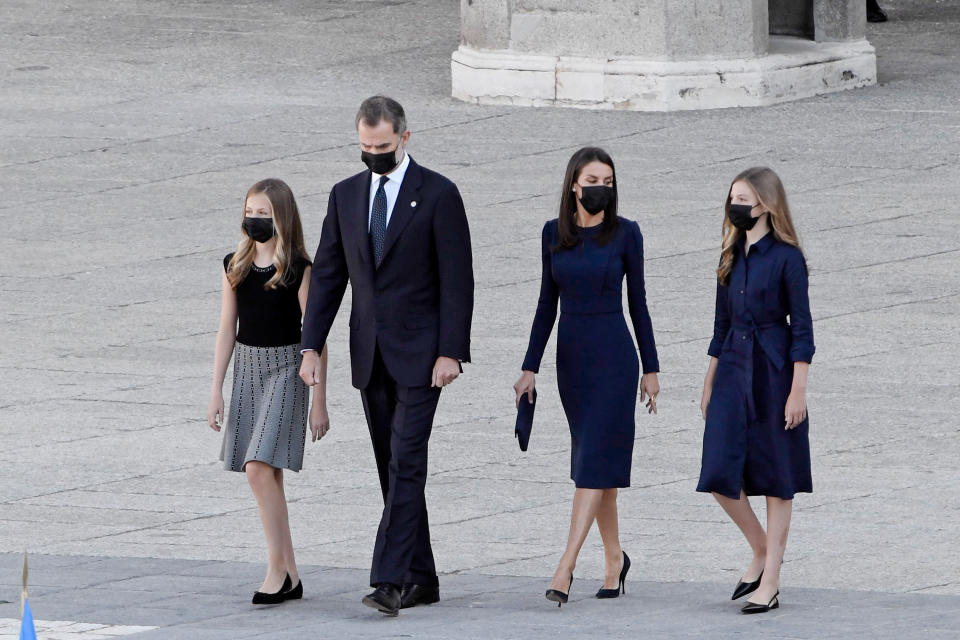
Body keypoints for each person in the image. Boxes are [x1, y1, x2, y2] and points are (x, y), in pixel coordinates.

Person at [299, 96, 474, 617]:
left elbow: (458, 281)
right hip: (369, 353)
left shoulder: (439, 194)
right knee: (389, 466)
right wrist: (310, 345)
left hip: (424, 357)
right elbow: (329, 275)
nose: (373, 154)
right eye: (365, 147)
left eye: (383, 146)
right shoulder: (345, 195)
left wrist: (452, 352)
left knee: (406, 461)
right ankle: (423, 575)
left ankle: (390, 579)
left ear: (405, 138)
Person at [514, 147, 660, 607]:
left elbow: (638, 303)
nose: (601, 188)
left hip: (615, 359)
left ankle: (565, 566)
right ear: (574, 184)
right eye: (593, 180)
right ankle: (615, 560)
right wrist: (529, 367)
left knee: (591, 465)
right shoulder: (552, 234)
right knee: (600, 469)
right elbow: (545, 306)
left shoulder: (626, 234)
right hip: (572, 362)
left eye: (608, 182)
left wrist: (651, 368)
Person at [696, 167, 814, 614]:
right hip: (731, 367)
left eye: (743, 198)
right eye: (732, 198)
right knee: (718, 471)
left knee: (776, 477)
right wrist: (709, 379)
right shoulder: (730, 254)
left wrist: (797, 390)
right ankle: (762, 549)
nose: (736, 206)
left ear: (765, 203)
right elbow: (720, 323)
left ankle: (772, 580)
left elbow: (802, 329)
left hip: (774, 369)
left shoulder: (787, 258)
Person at [206, 178, 330, 605]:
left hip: (287, 369)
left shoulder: (298, 266)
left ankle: (276, 569)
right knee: (267, 472)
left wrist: (320, 400)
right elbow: (227, 328)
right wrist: (216, 389)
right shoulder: (234, 265)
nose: (255, 220)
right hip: (247, 369)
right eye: (249, 212)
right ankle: (290, 572)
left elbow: (317, 335)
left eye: (264, 213)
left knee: (258, 467)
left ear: (282, 217)